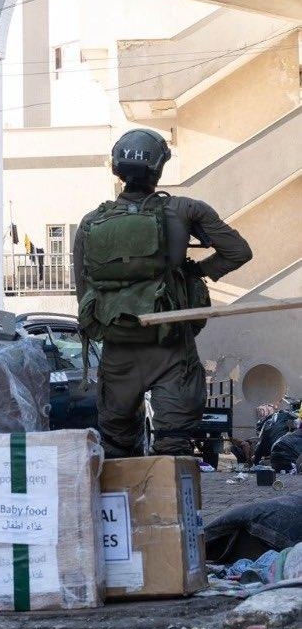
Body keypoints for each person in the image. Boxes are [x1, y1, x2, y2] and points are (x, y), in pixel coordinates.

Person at [73, 128, 252, 458]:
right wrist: (194, 271)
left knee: (116, 447)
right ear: (159, 169)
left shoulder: (90, 223)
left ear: (117, 168)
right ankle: (168, 507)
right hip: (171, 348)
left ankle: (123, 508)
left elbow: (84, 292)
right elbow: (238, 252)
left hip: (118, 349)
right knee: (172, 447)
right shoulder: (185, 210)